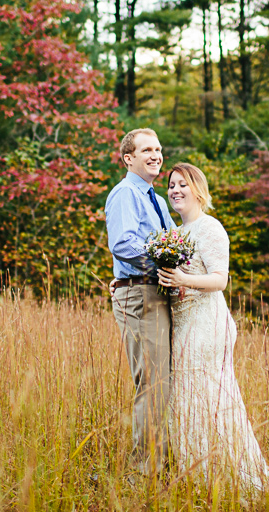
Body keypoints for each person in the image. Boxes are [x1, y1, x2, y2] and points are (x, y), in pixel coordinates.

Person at [156, 162, 269, 492]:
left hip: (206, 323)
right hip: (183, 321)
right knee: (186, 398)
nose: (175, 190)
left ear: (198, 189)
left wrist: (184, 279)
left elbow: (219, 279)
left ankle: (227, 472)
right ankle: (199, 471)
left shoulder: (209, 228)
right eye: (171, 185)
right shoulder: (175, 233)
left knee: (206, 396)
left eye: (183, 184)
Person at [105, 128, 176, 476]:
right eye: (146, 149)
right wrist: (162, 265)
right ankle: (145, 470)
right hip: (140, 293)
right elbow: (122, 244)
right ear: (128, 158)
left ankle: (162, 459)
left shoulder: (157, 200)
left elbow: (177, 242)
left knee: (164, 380)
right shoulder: (125, 194)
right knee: (153, 381)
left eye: (159, 149)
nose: (156, 155)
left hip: (158, 293)